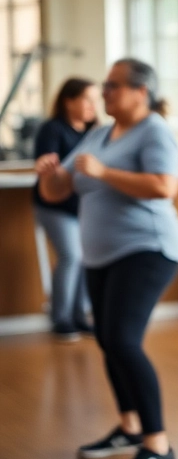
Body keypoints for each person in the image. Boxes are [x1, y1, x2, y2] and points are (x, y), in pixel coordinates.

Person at [35, 58, 178, 459]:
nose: (104, 92)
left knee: (122, 339)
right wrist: (50, 176)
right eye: (105, 85)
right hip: (101, 255)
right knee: (107, 340)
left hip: (148, 249)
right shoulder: (100, 134)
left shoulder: (153, 131)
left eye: (114, 85)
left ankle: (159, 448)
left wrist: (104, 172)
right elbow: (58, 188)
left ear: (142, 91)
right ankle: (130, 426)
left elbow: (164, 186)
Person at [32, 77, 99, 341]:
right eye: (87, 99)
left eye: (96, 100)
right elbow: (48, 168)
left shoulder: (95, 131)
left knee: (86, 258)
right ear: (68, 101)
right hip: (55, 207)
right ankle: (60, 318)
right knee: (71, 256)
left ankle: (80, 315)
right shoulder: (52, 129)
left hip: (84, 208)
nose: (93, 106)